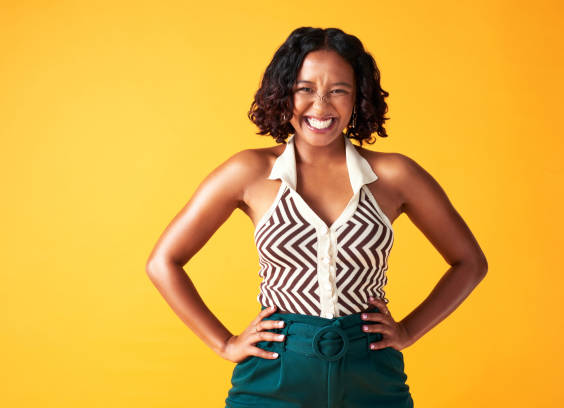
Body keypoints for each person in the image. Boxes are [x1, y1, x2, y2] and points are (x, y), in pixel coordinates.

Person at [145, 26, 488, 408]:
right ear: (283, 93)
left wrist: (408, 330)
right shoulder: (250, 172)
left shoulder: (396, 176)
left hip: (371, 372)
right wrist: (225, 343)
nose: (321, 106)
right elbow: (163, 262)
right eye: (305, 89)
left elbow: (470, 262)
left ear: (358, 97)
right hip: (274, 372)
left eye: (338, 90)